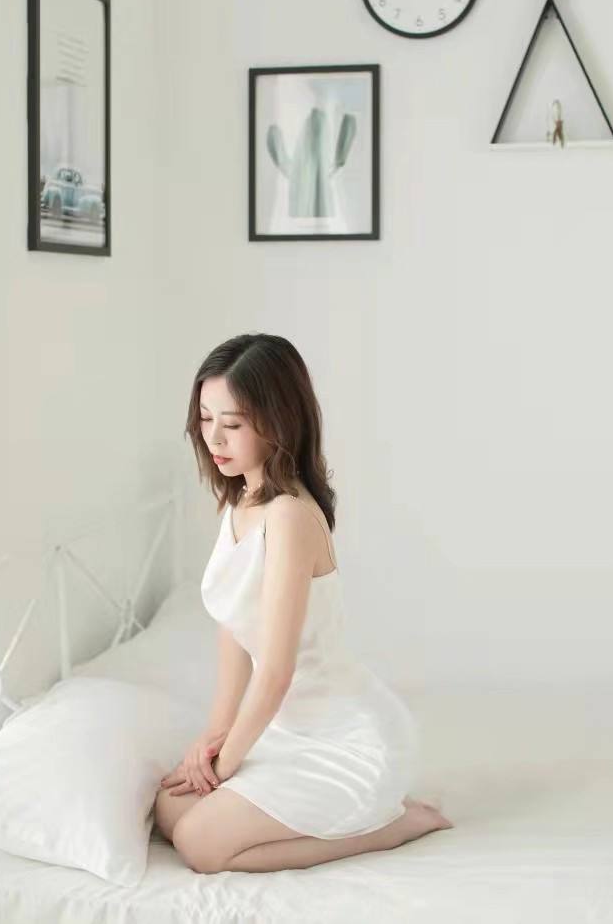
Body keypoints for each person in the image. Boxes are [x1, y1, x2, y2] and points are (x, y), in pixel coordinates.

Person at [154, 333, 452, 873]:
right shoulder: (243, 499)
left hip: (342, 739)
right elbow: (233, 626)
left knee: (200, 845)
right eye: (205, 418)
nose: (213, 437)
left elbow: (275, 672)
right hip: (284, 729)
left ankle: (395, 824)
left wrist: (227, 764)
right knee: (170, 809)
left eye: (233, 424)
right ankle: (348, 811)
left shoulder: (289, 515)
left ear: (278, 421)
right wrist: (215, 736)